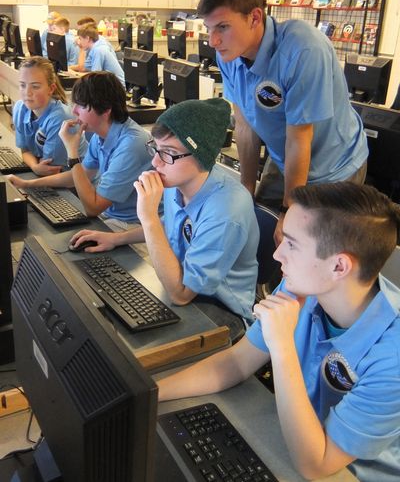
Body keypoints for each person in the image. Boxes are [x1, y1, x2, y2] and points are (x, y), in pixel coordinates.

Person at [157, 181, 400, 482]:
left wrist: (281, 345)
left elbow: (318, 465)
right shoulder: (307, 285)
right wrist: (152, 394)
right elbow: (238, 362)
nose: (277, 255)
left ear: (338, 267)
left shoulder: (393, 357)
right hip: (294, 438)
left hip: (348, 472)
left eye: (292, 244)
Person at [198, 0, 368, 244]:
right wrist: (246, 188)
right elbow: (244, 126)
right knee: (258, 225)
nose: (212, 41)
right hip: (286, 156)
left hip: (335, 166)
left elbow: (299, 138)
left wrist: (289, 208)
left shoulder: (304, 49)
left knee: (307, 245)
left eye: (222, 27)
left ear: (254, 17)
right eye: (209, 28)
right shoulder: (229, 56)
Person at [70, 98, 259, 323]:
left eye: (168, 152)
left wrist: (147, 216)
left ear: (202, 156)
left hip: (221, 311)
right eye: (156, 149)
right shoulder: (177, 181)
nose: (156, 163)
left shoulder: (226, 210)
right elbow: (170, 225)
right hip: (179, 282)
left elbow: (181, 295)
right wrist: (117, 239)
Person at [8, 71, 152, 225]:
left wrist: (72, 153)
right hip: (110, 217)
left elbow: (93, 208)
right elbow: (80, 175)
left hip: (134, 226)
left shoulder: (131, 145)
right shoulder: (100, 134)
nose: (74, 111)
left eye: (81, 105)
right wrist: (27, 184)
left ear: (105, 110)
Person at [12, 56, 87, 176]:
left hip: (73, 182)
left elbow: (51, 169)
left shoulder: (60, 119)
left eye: (35, 86)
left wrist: (37, 168)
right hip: (48, 177)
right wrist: (35, 166)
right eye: (22, 85)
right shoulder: (20, 108)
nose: (27, 92)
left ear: (51, 89)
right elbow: (25, 151)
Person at [74, 23, 125, 88]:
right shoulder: (92, 49)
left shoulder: (98, 50)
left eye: (80, 39)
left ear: (87, 38)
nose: (79, 42)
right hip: (108, 85)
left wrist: (73, 74)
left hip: (116, 89)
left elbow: (94, 77)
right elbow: (85, 68)